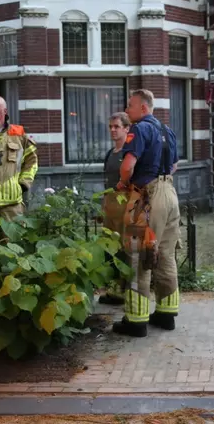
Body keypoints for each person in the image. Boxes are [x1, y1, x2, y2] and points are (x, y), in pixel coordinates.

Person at [112, 89, 181, 338]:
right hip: (170, 194)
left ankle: (136, 321)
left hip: (145, 196)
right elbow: (174, 164)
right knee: (165, 253)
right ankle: (166, 314)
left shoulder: (139, 129)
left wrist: (123, 182)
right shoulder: (168, 131)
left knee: (137, 255)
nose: (127, 111)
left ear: (143, 108)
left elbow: (128, 165)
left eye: (130, 106)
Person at [98, 112, 132, 306]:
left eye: (116, 126)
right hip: (110, 206)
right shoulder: (110, 154)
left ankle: (126, 289)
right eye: (110, 126)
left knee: (125, 249)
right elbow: (106, 182)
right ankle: (112, 289)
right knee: (109, 249)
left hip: (125, 205)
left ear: (126, 128)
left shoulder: (130, 154)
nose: (112, 130)